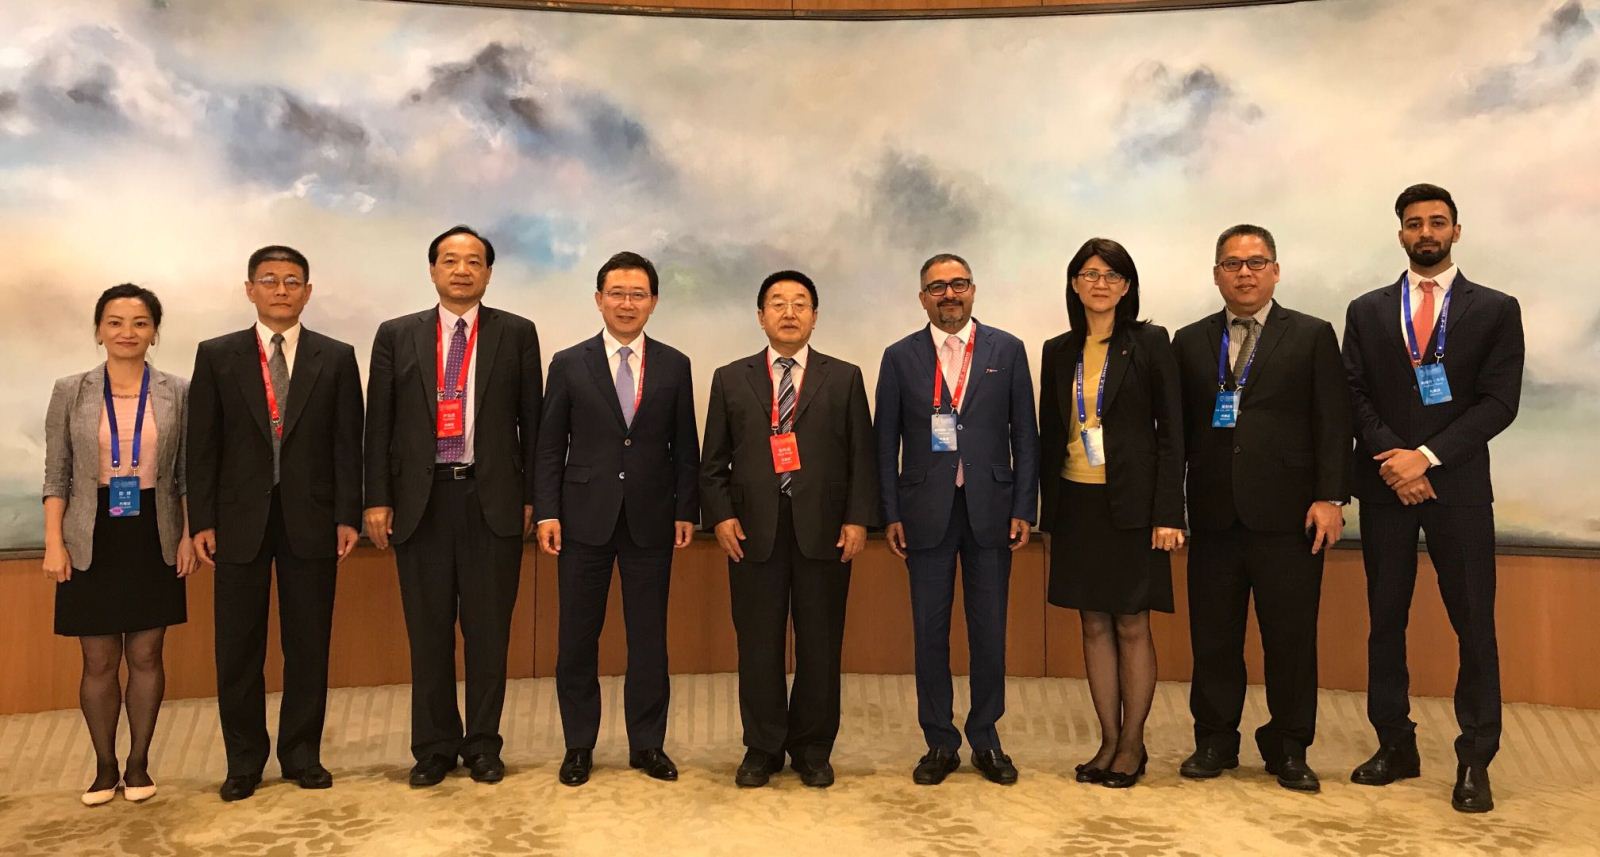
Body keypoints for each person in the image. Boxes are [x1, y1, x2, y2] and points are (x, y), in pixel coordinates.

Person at [1342, 184, 1524, 813]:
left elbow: (1499, 402)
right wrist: (1397, 459)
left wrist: (1427, 457)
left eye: (1437, 222)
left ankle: (1475, 757)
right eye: (1415, 223)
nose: (1426, 232)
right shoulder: (1367, 310)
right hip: (1385, 485)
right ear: (1400, 233)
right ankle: (1395, 745)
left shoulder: (1495, 309)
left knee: (1473, 623)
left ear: (1456, 231)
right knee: (1385, 621)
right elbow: (1353, 393)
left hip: (1460, 487)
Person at [1171, 225, 1351, 793]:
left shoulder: (1312, 335)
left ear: (1275, 270)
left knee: (1290, 639)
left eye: (1255, 262)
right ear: (1216, 274)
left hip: (1291, 517)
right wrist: (1171, 507)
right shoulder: (1189, 341)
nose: (1244, 273)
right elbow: (1176, 434)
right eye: (1232, 263)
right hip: (1214, 515)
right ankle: (1214, 740)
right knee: (1214, 637)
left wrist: (1330, 497)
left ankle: (1289, 746)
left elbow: (1333, 421)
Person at [363, 225, 542, 787]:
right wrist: (376, 499)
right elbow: (379, 424)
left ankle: (484, 744)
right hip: (421, 501)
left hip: (492, 499)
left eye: (473, 261)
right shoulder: (397, 335)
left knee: (489, 633)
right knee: (429, 631)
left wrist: (533, 497)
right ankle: (434, 747)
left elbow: (533, 423)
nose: (461, 270)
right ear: (432, 270)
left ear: (488, 272)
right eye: (450, 260)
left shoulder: (517, 333)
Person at [186, 245, 364, 801]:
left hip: (312, 519)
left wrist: (347, 515)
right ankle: (243, 760)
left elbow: (347, 444)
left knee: (308, 643)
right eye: (269, 280)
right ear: (250, 289)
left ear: (307, 292)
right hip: (238, 521)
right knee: (238, 647)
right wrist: (202, 519)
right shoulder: (217, 355)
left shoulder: (336, 357)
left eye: (292, 281)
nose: (281, 290)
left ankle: (302, 754)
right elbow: (202, 445)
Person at [700, 270, 877, 788]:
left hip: (826, 531)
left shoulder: (844, 377)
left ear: (815, 317)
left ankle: (813, 749)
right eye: (777, 303)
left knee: (821, 645)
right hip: (752, 532)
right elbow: (713, 462)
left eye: (800, 303)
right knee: (758, 645)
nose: (789, 312)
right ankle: (762, 747)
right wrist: (722, 517)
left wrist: (857, 519)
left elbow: (861, 457)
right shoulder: (730, 378)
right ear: (761, 317)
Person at [535, 252, 699, 787]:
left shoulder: (674, 364)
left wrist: (686, 509)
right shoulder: (568, 362)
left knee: (649, 638)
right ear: (599, 299)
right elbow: (549, 446)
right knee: (577, 638)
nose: (627, 303)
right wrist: (547, 511)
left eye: (638, 294)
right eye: (617, 293)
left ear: (653, 301)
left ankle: (647, 744)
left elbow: (685, 447)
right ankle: (578, 745)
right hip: (582, 519)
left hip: (651, 519)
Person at [875, 253, 1039, 786]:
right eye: (937, 287)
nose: (949, 294)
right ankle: (940, 741)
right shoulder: (899, 356)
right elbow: (885, 443)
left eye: (958, 283)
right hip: (924, 513)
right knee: (929, 632)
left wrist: (1024, 506)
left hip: (992, 510)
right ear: (922, 297)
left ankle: (986, 737)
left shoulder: (1007, 349)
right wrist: (890, 512)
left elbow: (1025, 434)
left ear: (973, 289)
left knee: (990, 630)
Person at [1038, 239, 1184, 789]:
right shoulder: (1057, 350)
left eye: (1111, 275)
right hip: (1077, 503)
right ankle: (1106, 739)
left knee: (1131, 623)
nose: (1099, 284)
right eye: (1089, 273)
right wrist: (1047, 516)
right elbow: (1049, 435)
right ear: (1074, 283)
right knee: (1092, 623)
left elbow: (1172, 434)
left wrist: (1169, 512)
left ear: (1126, 286)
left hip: (1135, 507)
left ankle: (1133, 744)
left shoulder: (1149, 343)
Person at [42, 284, 195, 806]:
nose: (127, 332)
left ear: (154, 332)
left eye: (139, 322)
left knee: (148, 652)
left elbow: (186, 474)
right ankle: (105, 766)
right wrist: (53, 542)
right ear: (99, 330)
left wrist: (188, 535)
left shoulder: (178, 391)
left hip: (154, 529)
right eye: (115, 322)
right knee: (99, 658)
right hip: (91, 531)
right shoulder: (71, 390)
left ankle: (139, 763)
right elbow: (57, 472)